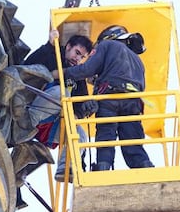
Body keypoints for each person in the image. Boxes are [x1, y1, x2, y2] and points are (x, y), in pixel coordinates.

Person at [54, 25, 154, 171]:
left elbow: (87, 69)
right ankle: (143, 165)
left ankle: (103, 166)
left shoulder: (106, 45)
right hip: (133, 100)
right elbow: (129, 80)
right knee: (132, 137)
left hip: (110, 97)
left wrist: (61, 73)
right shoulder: (137, 60)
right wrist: (97, 79)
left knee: (106, 134)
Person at [24, 29, 93, 182]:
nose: (78, 59)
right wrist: (49, 44)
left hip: (52, 124)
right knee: (63, 93)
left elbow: (80, 104)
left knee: (81, 136)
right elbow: (27, 65)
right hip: (33, 111)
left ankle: (65, 168)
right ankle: (24, 128)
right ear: (68, 47)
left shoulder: (78, 76)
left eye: (82, 57)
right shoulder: (52, 55)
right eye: (77, 52)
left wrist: (85, 109)